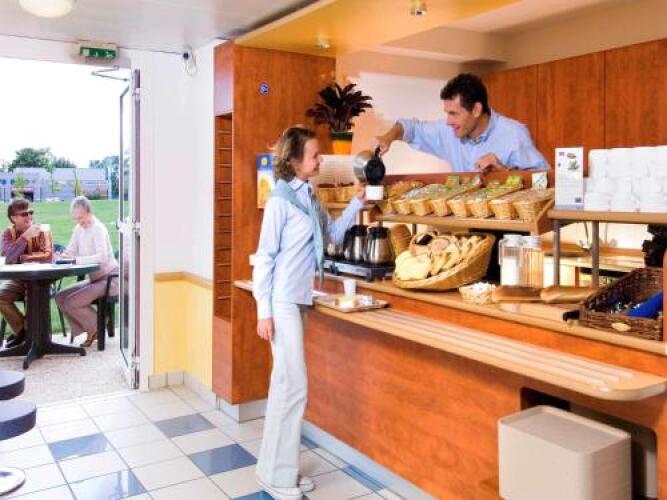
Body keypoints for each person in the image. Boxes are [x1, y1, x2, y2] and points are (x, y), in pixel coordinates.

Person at [253, 126, 365, 499]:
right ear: (295, 160)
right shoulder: (280, 201)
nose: (320, 161)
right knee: (295, 386)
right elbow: (265, 258)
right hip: (282, 302)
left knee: (284, 385)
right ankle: (279, 478)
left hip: (299, 299)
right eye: (315, 156)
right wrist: (264, 312)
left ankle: (274, 471)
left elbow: (332, 235)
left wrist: (357, 204)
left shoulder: (309, 195)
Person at [376, 73, 548, 172]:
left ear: (476, 110)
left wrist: (503, 172)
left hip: (508, 224)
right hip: (465, 222)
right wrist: (388, 137)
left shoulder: (514, 133)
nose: (448, 121)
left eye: (454, 114)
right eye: (447, 113)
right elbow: (411, 127)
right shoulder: (448, 131)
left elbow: (544, 181)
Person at [55, 196, 118, 348]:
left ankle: (96, 327)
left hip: (110, 279)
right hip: (95, 279)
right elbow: (71, 250)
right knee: (60, 297)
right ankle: (94, 326)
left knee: (72, 302)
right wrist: (63, 255)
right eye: (76, 218)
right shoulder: (78, 229)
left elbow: (102, 257)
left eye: (81, 217)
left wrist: (75, 260)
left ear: (89, 212)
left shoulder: (98, 229)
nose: (79, 221)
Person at [0, 198, 53, 348]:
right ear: (13, 218)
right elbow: (8, 258)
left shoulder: (42, 230)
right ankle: (23, 332)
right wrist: (24, 237)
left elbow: (48, 256)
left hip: (41, 280)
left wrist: (22, 258)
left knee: (33, 295)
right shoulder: (8, 233)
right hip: (18, 279)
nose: (29, 216)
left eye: (30, 212)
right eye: (24, 214)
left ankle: (30, 336)